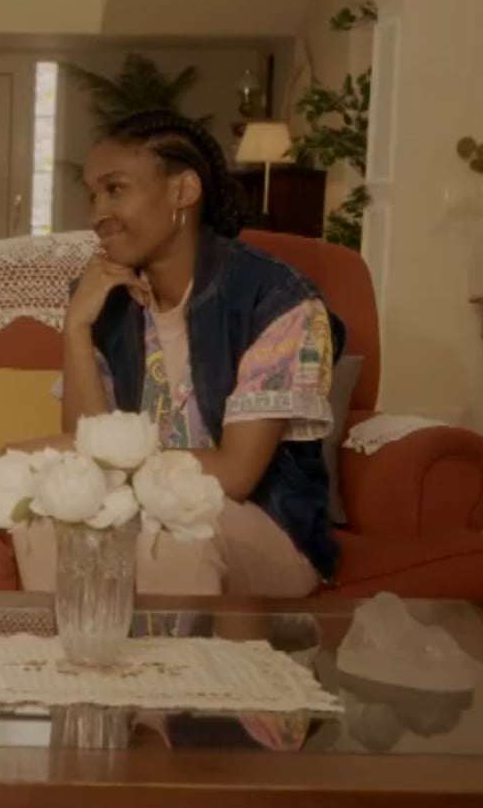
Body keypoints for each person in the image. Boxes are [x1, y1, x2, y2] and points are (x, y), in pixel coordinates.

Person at [29, 108, 345, 598]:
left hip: (265, 524)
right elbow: (84, 444)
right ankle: (74, 649)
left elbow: (236, 475)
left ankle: (175, 655)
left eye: (115, 189)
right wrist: (77, 327)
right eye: (92, 195)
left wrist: (106, 463)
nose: (96, 215)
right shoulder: (105, 302)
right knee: (43, 515)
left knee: (180, 536)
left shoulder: (276, 300)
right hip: (142, 508)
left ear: (183, 191)